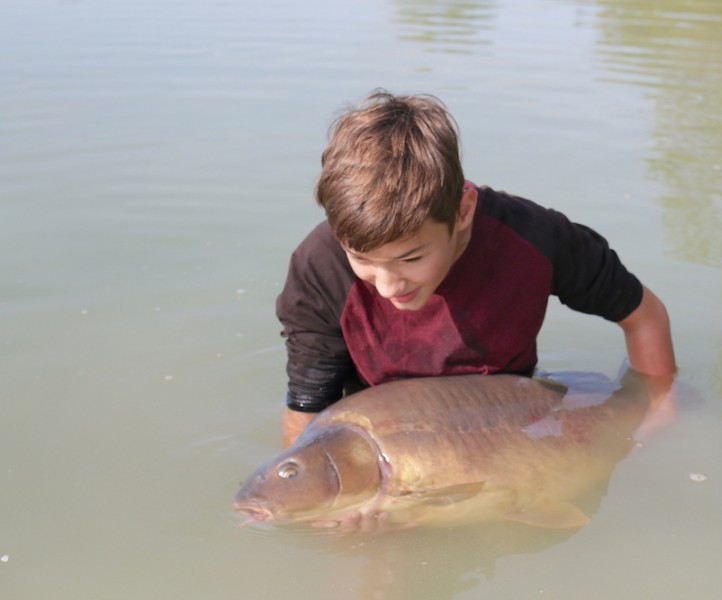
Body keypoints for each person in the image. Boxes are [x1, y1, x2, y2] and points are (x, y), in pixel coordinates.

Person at [277, 90, 676, 453]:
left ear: (463, 211)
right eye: (361, 259)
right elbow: (308, 411)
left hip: (510, 427)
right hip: (381, 441)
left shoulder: (535, 237)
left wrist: (658, 407)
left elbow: (644, 317)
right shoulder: (320, 267)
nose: (386, 287)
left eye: (411, 258)